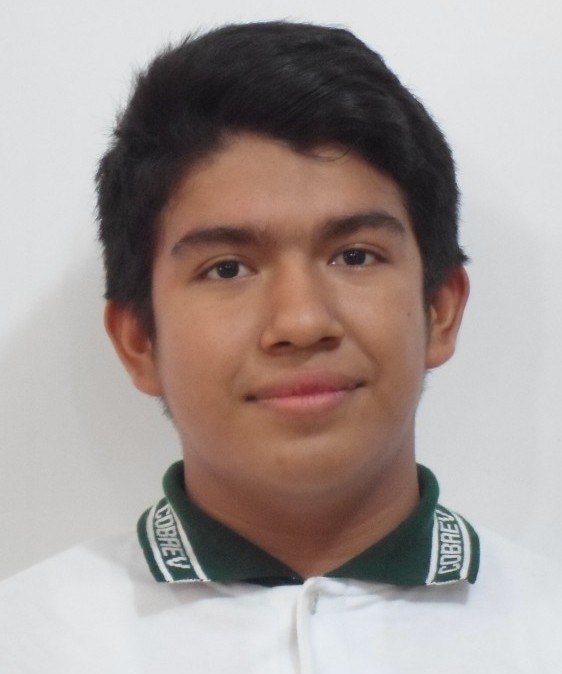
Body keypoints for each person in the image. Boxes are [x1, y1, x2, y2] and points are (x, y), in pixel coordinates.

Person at [1, 20, 560, 672]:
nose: (301, 321)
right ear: (139, 341)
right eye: (227, 268)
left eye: (355, 255)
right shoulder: (26, 639)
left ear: (440, 309)